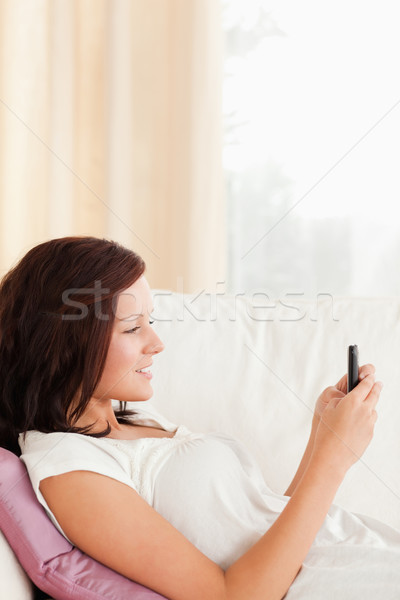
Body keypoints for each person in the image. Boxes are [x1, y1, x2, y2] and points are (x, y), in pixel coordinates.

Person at [0, 235, 399, 600]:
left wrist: (322, 438)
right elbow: (229, 595)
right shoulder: (71, 471)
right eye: (133, 328)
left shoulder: (131, 419)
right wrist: (332, 462)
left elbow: (264, 523)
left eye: (150, 322)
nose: (156, 343)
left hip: (362, 554)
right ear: (66, 343)